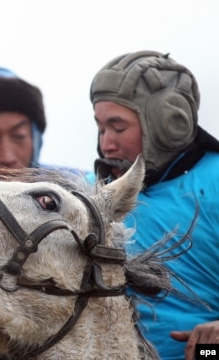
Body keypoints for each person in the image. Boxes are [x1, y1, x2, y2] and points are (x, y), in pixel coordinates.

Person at [90, 50, 219, 360]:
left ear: (168, 124)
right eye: (101, 127)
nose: (106, 142)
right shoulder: (95, 193)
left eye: (118, 128)